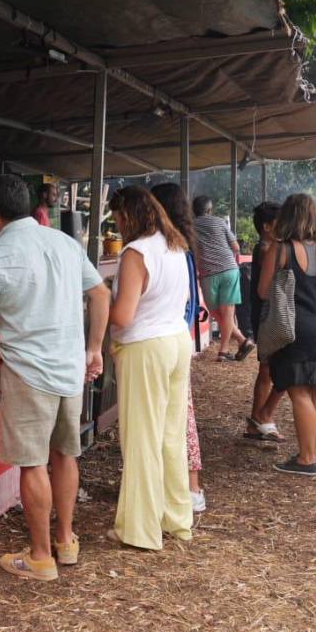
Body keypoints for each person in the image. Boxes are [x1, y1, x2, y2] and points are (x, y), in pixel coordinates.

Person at [0, 174, 110, 581]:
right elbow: (100, 293)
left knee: (32, 464)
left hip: (27, 370)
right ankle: (66, 540)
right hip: (68, 368)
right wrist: (94, 348)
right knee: (66, 453)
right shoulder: (63, 242)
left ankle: (41, 556)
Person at [106, 186, 192, 550]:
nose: (115, 226)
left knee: (142, 439)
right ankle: (176, 518)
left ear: (127, 216)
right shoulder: (174, 245)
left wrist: (98, 304)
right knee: (171, 436)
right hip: (176, 341)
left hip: (145, 347)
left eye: (116, 219)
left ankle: (140, 530)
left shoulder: (136, 252)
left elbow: (123, 317)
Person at [258, 193, 316, 476]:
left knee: (299, 392)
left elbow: (263, 291)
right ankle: (312, 453)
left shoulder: (280, 249)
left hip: (295, 327)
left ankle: (307, 459)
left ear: (288, 217)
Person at [150, 183, 207, 512]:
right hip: (179, 339)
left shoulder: (168, 247)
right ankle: (188, 488)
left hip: (168, 339)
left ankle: (189, 488)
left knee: (177, 418)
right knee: (180, 416)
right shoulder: (183, 245)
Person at [192, 196, 253, 361]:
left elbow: (191, 249)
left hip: (207, 273)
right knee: (226, 312)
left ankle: (224, 350)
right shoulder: (219, 222)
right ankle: (241, 340)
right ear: (210, 210)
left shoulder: (190, 226)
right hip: (229, 269)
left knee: (215, 311)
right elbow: (236, 247)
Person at [246, 202, 286, 445]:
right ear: (267, 227)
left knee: (267, 370)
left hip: (265, 316)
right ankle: (263, 418)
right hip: (269, 317)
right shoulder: (266, 250)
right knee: (275, 370)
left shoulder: (266, 247)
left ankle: (256, 421)